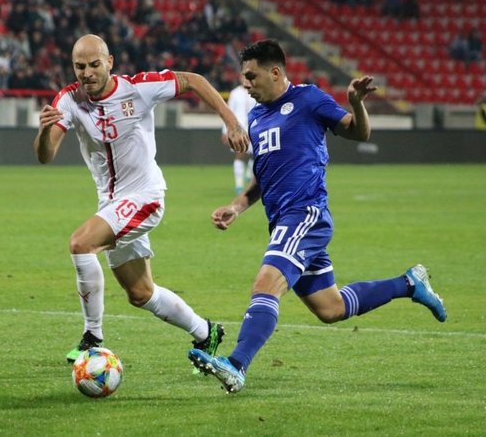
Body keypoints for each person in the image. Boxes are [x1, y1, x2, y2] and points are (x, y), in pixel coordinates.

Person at [188, 39, 447, 394]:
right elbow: (262, 177)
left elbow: (358, 131)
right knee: (331, 307)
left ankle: (236, 365)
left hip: (305, 215)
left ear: (275, 72)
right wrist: (236, 206)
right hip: (282, 222)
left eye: (251, 76)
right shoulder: (256, 117)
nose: (245, 84)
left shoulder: (309, 99)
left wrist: (355, 103)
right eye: (243, 77)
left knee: (266, 284)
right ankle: (409, 283)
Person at [34, 34, 249, 364]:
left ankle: (92, 337)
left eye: (94, 65)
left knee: (80, 244)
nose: (87, 73)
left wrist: (232, 122)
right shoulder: (69, 100)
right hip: (112, 206)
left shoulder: (139, 88)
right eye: (80, 66)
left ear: (110, 62)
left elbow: (193, 81)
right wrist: (42, 132)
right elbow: (46, 156)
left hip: (145, 196)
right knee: (140, 294)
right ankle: (207, 332)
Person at [221, 83, 256, 194]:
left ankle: (250, 177)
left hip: (255, 127)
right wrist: (225, 130)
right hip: (239, 128)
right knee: (240, 154)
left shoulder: (257, 91)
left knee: (256, 155)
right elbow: (227, 111)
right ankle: (239, 185)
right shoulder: (235, 93)